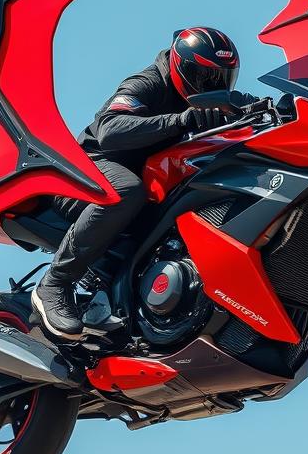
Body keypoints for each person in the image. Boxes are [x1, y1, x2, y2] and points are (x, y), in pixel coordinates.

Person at [31, 27, 253, 339]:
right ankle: (56, 282)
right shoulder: (149, 82)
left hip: (147, 182)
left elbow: (241, 107)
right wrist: (181, 120)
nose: (212, 88)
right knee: (127, 190)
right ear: (181, 66)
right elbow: (110, 129)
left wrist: (273, 107)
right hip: (91, 170)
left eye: (221, 79)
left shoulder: (210, 99)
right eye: (205, 78)